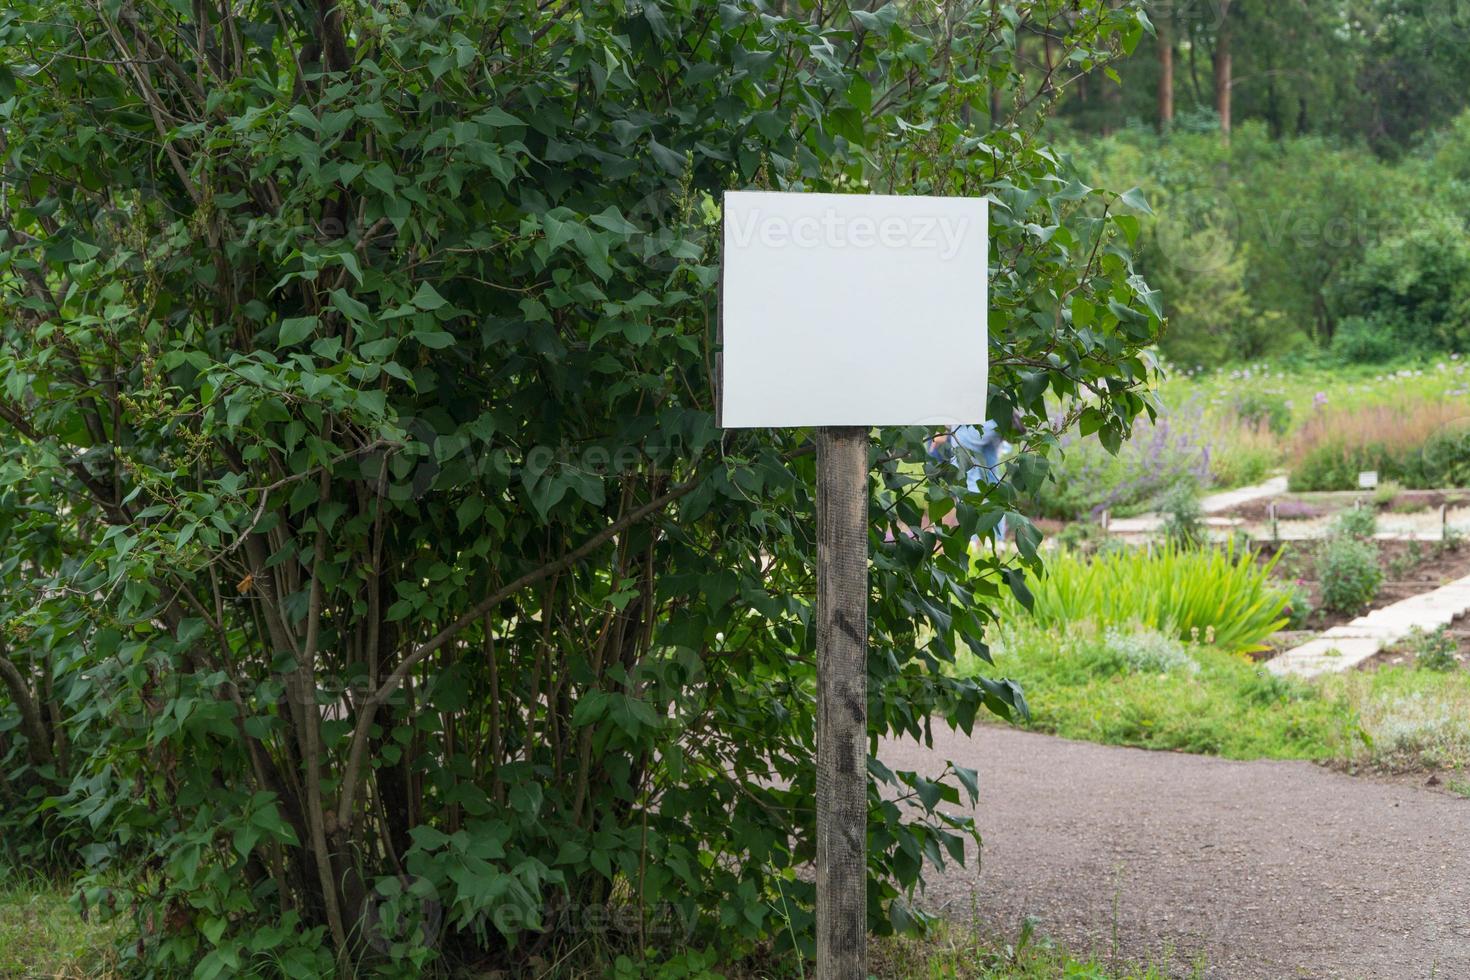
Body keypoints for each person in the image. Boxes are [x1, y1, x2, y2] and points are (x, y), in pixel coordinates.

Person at [928, 420, 1008, 540]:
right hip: (994, 421)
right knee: (992, 478)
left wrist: (942, 426)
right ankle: (998, 538)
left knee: (968, 479)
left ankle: (974, 539)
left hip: (968, 426)